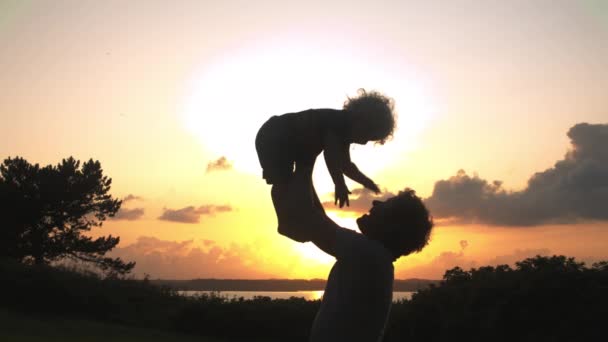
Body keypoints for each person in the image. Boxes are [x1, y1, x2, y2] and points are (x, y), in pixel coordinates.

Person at [275, 169, 433, 342]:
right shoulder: (375, 258)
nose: (375, 203)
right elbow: (316, 216)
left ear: (393, 226)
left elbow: (309, 219)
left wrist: (304, 163)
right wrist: (303, 171)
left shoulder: (369, 255)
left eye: (386, 205)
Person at [255, 89, 396, 240]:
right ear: (361, 120)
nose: (363, 142)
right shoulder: (337, 123)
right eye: (368, 136)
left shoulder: (343, 130)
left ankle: (310, 218)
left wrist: (366, 182)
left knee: (303, 187)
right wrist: (339, 184)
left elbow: (346, 165)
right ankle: (286, 221)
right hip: (276, 137)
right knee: (283, 181)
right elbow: (332, 158)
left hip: (295, 147)